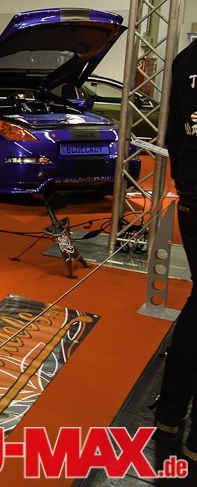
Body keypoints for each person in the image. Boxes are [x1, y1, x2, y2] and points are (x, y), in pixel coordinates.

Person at [156, 38, 197, 460]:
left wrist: (186, 185)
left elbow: (172, 134)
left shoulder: (186, 59)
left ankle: (169, 413)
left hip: (192, 198)